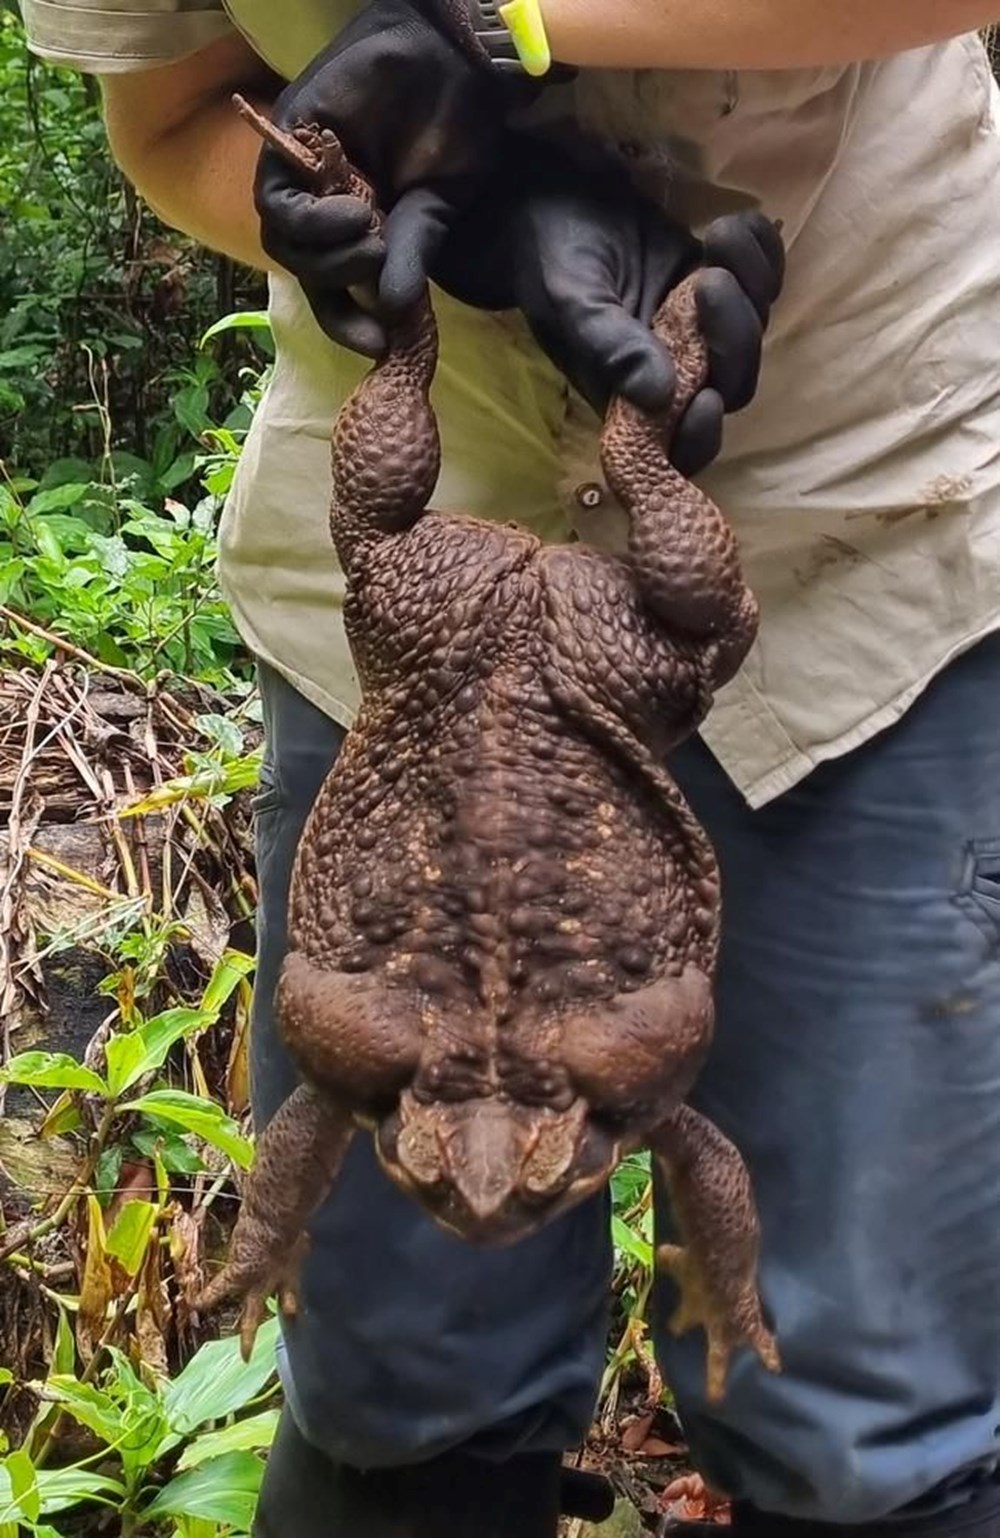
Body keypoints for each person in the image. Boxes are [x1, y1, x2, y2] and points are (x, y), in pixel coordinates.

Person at [20, 2, 1000, 1534]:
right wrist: (396, 232)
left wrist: (502, 26)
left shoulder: (545, 1074)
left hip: (849, 499)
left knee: (860, 1410)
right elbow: (169, 122)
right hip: (427, 617)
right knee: (397, 1397)